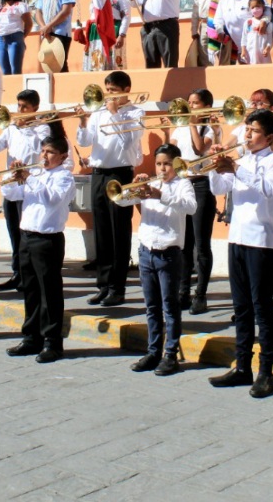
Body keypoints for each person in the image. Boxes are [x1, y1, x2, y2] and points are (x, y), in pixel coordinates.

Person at [205, 109, 273, 399]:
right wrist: (217, 167)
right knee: (241, 308)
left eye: (253, 131)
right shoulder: (243, 160)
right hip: (237, 238)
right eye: (247, 130)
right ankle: (242, 367)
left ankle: (266, 371)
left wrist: (236, 168)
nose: (247, 135)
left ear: (269, 137)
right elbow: (219, 187)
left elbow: (267, 189)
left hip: (261, 241)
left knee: (262, 308)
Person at [119, 143, 197, 376]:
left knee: (170, 307)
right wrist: (136, 185)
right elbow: (120, 201)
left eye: (167, 164)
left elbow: (191, 207)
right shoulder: (150, 182)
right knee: (152, 307)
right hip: (146, 251)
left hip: (169, 253)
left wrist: (161, 194)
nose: (162, 169)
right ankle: (153, 352)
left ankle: (170, 355)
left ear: (176, 164)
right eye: (159, 164)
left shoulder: (183, 184)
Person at [2, 135, 75, 363]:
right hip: (27, 236)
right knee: (31, 289)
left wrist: (29, 179)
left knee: (49, 293)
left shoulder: (64, 177)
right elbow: (11, 194)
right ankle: (31, 337)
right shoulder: (36, 174)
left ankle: (53, 343)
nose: (44, 155)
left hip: (47, 240)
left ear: (62, 156)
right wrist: (13, 178)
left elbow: (52, 199)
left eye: (50, 152)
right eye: (43, 151)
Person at [76, 70, 144, 306]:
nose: (109, 96)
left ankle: (118, 287)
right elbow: (85, 142)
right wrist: (84, 122)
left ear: (126, 91)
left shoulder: (136, 113)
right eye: (107, 91)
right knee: (102, 229)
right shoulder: (98, 112)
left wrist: (116, 115)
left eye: (113, 91)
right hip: (99, 173)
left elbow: (129, 143)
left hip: (121, 173)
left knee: (119, 230)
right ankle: (103, 284)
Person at [0, 89, 54, 291]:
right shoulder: (10, 128)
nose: (20, 110)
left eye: (24, 106)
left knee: (26, 237)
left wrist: (25, 128)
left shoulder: (42, 129)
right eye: (19, 106)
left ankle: (28, 276)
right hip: (10, 189)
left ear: (35, 108)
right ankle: (17, 273)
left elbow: (37, 152)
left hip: (29, 190)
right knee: (14, 236)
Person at [171, 89, 219, 314]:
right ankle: (183, 291)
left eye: (195, 103)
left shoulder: (210, 128)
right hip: (183, 183)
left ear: (206, 106)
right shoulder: (180, 127)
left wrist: (191, 124)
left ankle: (201, 294)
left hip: (201, 185)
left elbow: (200, 148)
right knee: (184, 243)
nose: (190, 106)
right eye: (188, 102)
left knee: (201, 244)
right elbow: (171, 153)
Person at [212, 0, 264, 64]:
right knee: (243, 70)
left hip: (256, 44)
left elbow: (266, 11)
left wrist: (264, 21)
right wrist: (220, 31)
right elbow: (218, 17)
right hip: (240, 46)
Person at [33, 0, 77, 72]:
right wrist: (44, 27)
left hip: (61, 32)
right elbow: (38, 11)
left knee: (60, 63)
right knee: (49, 64)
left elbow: (65, 11)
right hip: (46, 32)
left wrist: (49, 26)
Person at [0, 0, 31, 76]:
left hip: (15, 38)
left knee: (15, 70)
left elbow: (29, 23)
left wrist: (21, 37)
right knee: (4, 71)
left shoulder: (20, 5)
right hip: (0, 39)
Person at [238, 0, 273, 65]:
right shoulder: (248, 23)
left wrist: (267, 48)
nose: (255, 9)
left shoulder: (268, 24)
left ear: (263, 7)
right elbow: (244, 38)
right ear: (250, 9)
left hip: (264, 56)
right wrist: (243, 50)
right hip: (251, 54)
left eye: (258, 6)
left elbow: (270, 39)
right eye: (253, 7)